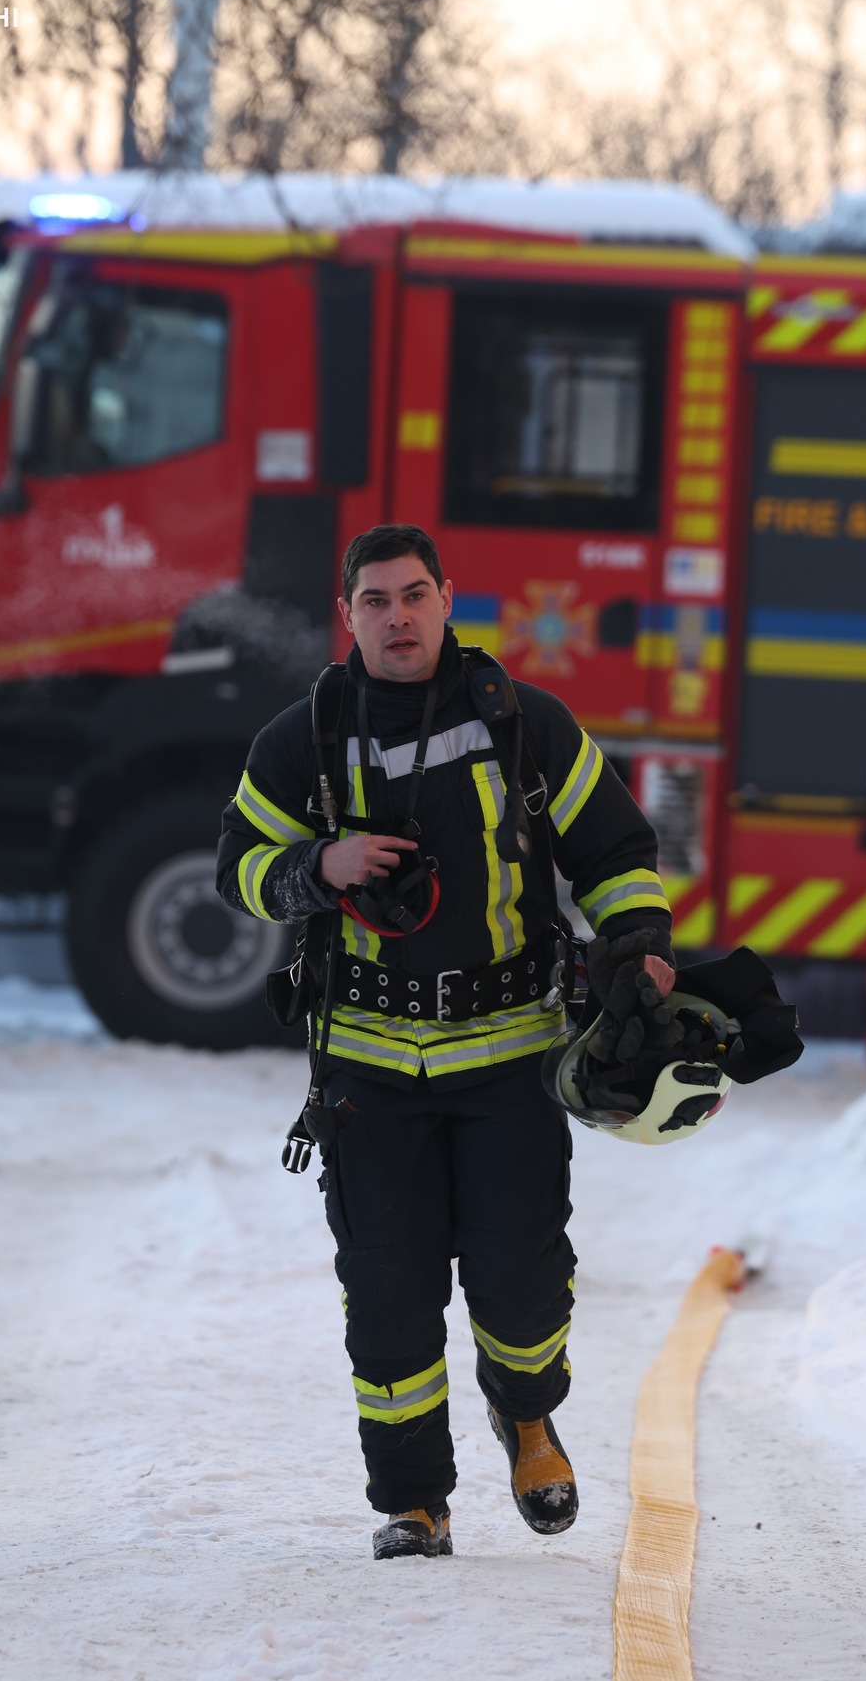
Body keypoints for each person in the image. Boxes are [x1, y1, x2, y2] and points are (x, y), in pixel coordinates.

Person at [216, 523, 676, 1560]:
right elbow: (237, 861)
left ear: (447, 598)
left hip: (510, 1058)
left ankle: (526, 1416)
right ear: (348, 615)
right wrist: (318, 864)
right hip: (369, 1071)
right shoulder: (305, 736)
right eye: (374, 600)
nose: (397, 616)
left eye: (414, 594)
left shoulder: (521, 722)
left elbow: (613, 847)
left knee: (519, 1279)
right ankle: (415, 1501)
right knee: (386, 1295)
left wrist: (638, 942)